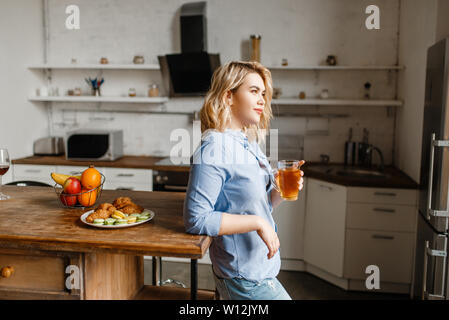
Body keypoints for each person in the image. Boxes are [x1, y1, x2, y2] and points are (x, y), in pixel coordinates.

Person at [183, 61, 305, 300]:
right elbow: (196, 219)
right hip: (244, 279)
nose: (262, 100)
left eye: (263, 93)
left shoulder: (246, 142)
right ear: (228, 96)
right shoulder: (215, 147)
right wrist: (258, 223)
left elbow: (259, 205)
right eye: (253, 91)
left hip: (259, 271)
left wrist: (279, 189)